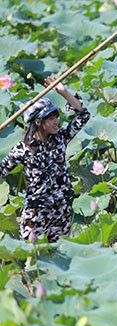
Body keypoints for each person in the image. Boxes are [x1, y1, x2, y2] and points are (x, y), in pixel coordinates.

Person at [0, 77, 91, 242]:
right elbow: (1, 170)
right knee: (31, 253)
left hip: (61, 209)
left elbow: (83, 115)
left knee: (58, 256)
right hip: (37, 212)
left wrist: (64, 92)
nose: (57, 121)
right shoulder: (24, 149)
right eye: (51, 118)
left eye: (57, 117)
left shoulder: (60, 139)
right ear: (38, 121)